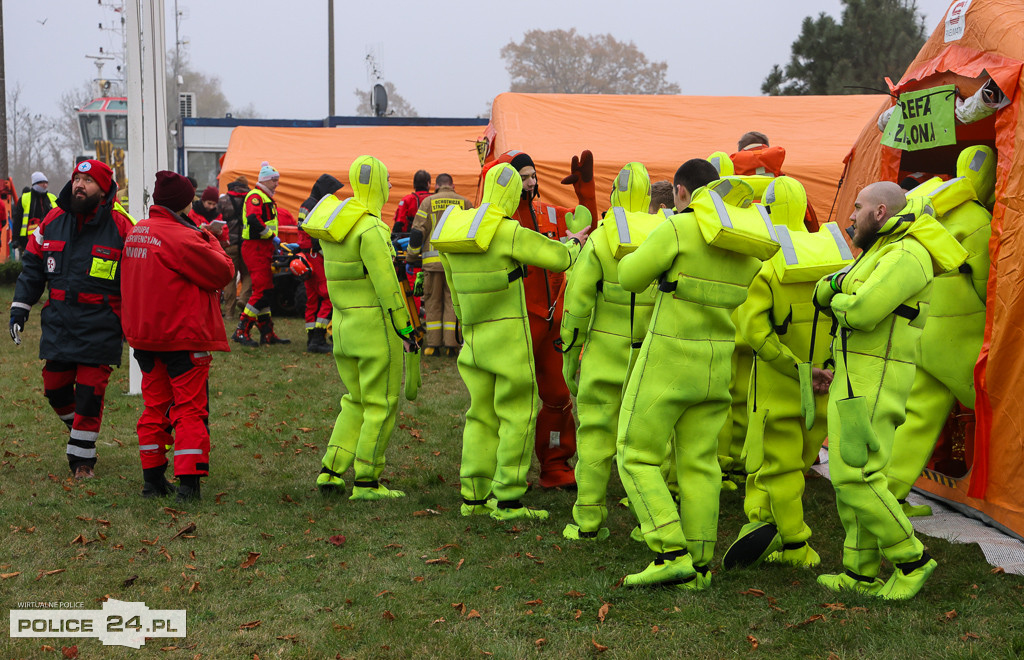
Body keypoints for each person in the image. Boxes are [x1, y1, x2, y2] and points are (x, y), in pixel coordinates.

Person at [615, 159, 775, 589]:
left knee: (634, 452)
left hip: (669, 356)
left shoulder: (678, 228)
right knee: (701, 463)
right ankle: (700, 567)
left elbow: (628, 277)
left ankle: (669, 550)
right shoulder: (741, 242)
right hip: (716, 363)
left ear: (682, 193)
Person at [813, 181, 966, 600]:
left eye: (857, 207)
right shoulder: (883, 250)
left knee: (854, 474)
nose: (849, 216)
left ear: (880, 212)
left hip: (875, 378)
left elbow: (860, 311)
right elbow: (830, 286)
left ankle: (912, 560)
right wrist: (839, 290)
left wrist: (839, 297)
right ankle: (858, 573)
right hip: (857, 375)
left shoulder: (906, 254)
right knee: (856, 476)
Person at [434, 162, 590, 520]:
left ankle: (473, 497)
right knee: (516, 418)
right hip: (510, 344)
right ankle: (508, 500)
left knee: (480, 417)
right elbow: (559, 258)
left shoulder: (454, 228)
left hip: (474, 340)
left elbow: (454, 291)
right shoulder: (509, 232)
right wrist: (576, 243)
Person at [722, 176, 849, 570]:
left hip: (777, 385)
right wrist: (826, 368)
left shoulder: (768, 265)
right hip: (825, 383)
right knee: (796, 459)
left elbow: (754, 333)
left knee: (778, 467)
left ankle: (795, 543)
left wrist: (795, 368)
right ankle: (761, 518)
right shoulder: (837, 254)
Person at [885, 145, 995, 517]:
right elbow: (988, 285)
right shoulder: (978, 218)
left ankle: (888, 496)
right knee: (995, 408)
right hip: (959, 339)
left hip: (923, 330)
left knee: (916, 416)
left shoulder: (932, 211)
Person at [8, 160, 134, 479]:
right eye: (77, 178)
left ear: (104, 189)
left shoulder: (123, 225)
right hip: (59, 323)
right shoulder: (52, 220)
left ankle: (82, 463)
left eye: (89, 180)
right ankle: (79, 431)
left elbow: (139, 279)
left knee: (90, 395)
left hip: (102, 324)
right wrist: (20, 308)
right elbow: (33, 268)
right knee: (55, 389)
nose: (79, 185)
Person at [561, 162, 661, 541]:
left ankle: (587, 520)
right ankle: (648, 521)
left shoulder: (602, 237)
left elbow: (577, 303)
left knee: (595, 437)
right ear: (649, 197)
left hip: (604, 351)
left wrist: (570, 356)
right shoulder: (666, 233)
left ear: (614, 194)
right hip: (651, 353)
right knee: (647, 444)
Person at [121, 171, 235, 502]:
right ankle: (188, 485)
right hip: (181, 337)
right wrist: (210, 239)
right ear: (185, 201)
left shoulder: (137, 232)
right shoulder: (183, 237)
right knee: (188, 409)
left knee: (155, 408)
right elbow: (222, 272)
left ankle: (152, 481)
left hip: (145, 337)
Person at [309, 156, 416, 501]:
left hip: (342, 327)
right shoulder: (371, 229)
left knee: (354, 401)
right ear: (381, 186)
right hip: (375, 330)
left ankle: (332, 469)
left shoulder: (335, 224)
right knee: (381, 404)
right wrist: (406, 328)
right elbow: (388, 286)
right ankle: (368, 480)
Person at [506, 149, 598, 489]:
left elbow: (588, 226)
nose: (530, 182)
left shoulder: (549, 213)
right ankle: (500, 476)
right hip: (517, 324)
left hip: (550, 325)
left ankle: (556, 466)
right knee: (511, 404)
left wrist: (585, 191)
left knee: (558, 398)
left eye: (533, 176)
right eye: (523, 177)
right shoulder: (500, 219)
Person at [406, 172, 469, 356]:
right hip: (455, 264)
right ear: (452, 185)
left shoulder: (428, 203)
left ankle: (433, 347)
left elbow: (418, 232)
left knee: (433, 303)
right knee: (452, 303)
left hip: (432, 265)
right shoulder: (465, 203)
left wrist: (411, 256)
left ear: (436, 186)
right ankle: (451, 346)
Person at [232, 161, 289, 347]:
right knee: (262, 291)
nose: (277, 184)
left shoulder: (265, 196)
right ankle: (241, 330)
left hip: (263, 247)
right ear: (265, 180)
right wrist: (271, 236)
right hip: (256, 247)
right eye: (274, 180)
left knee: (266, 291)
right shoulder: (256, 196)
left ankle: (267, 333)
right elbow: (253, 219)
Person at [297, 174, 343, 354]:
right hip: (316, 256)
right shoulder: (316, 206)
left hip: (306, 255)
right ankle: (318, 338)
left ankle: (311, 337)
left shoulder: (306, 204)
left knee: (312, 298)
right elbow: (314, 233)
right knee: (328, 295)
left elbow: (303, 231)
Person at [217, 176, 252, 317]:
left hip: (229, 243)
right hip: (246, 243)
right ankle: (243, 299)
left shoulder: (224, 200)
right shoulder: (251, 198)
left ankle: (229, 313)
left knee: (230, 278)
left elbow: (217, 219)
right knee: (248, 274)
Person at [11, 171, 57, 255]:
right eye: (42, 183)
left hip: (49, 239)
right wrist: (16, 239)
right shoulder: (25, 199)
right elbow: (17, 220)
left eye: (46, 183)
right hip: (27, 241)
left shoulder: (52, 198)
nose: (45, 185)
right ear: (35, 184)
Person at [392, 169, 431, 235]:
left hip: (409, 237)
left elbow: (399, 221)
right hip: (431, 237)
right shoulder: (434, 199)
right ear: (428, 183)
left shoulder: (407, 199)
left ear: (414, 184)